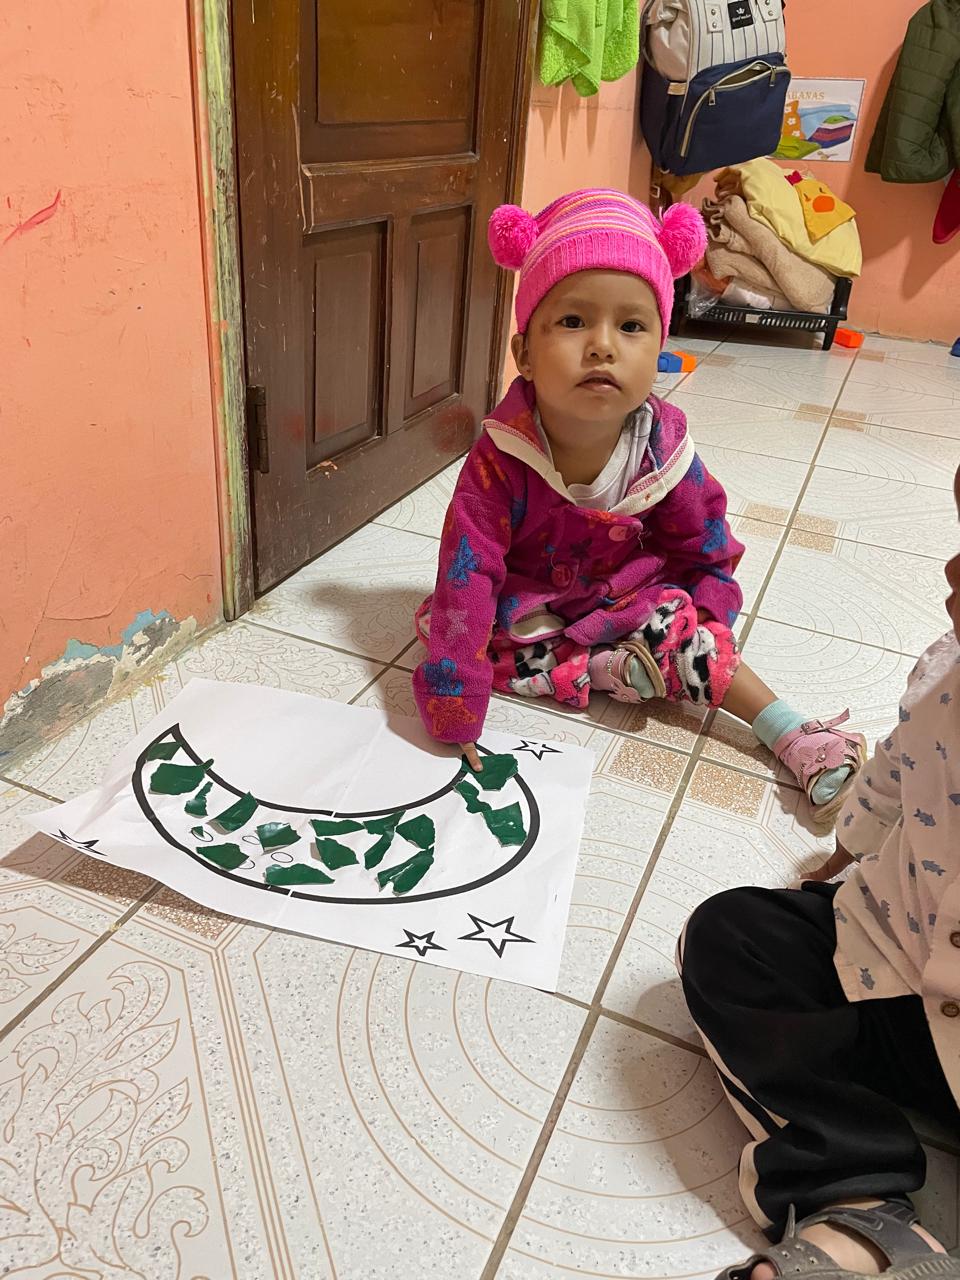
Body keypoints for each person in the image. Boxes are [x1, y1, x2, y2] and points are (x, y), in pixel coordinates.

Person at [412, 189, 864, 826]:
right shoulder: (498, 458)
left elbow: (705, 546)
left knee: (693, 642)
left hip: (632, 596)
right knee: (453, 633)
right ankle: (603, 670)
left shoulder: (664, 451)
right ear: (524, 355)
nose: (603, 346)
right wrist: (455, 702)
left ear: (659, 352)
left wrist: (708, 621)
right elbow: (467, 574)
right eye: (573, 321)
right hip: (536, 606)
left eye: (631, 327)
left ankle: (790, 731)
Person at [678, 461, 960, 1280]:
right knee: (732, 934)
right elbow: (894, 773)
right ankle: (859, 1205)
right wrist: (836, 866)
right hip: (896, 971)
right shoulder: (948, 670)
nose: (951, 571)